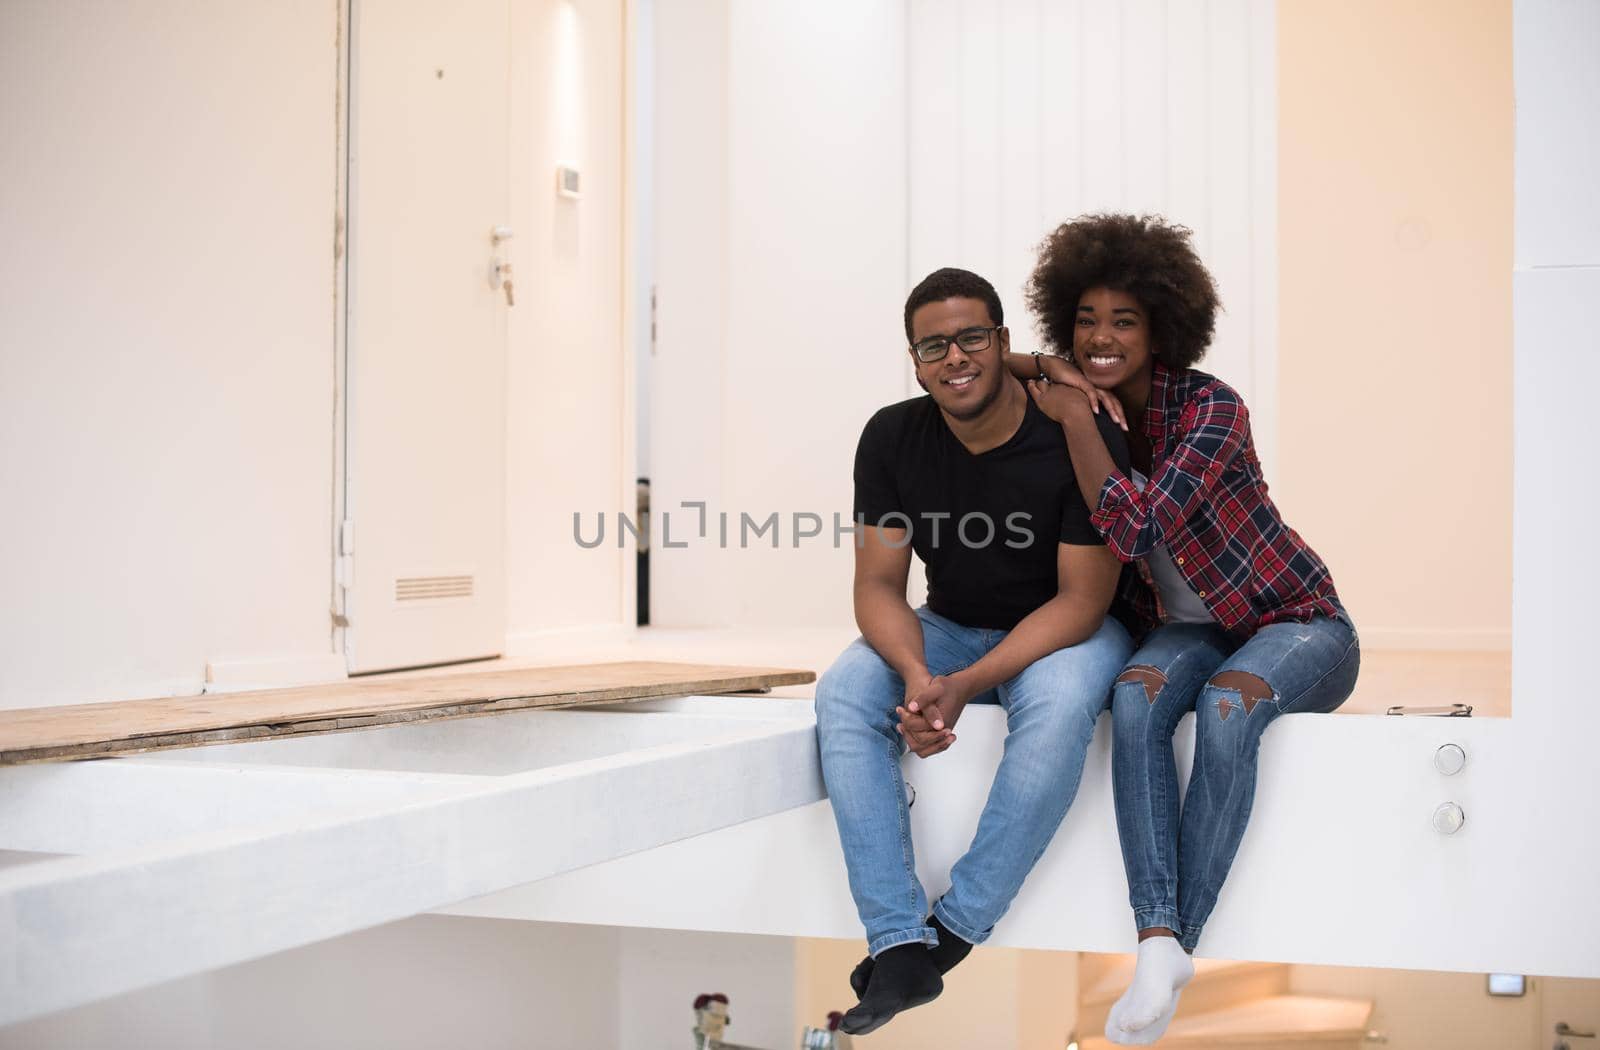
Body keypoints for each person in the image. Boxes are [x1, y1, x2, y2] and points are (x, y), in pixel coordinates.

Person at [1016, 214, 1360, 1046]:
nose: (1102, 336)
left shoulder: (1211, 409)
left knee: (1228, 709)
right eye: (1086, 320)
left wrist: (1073, 417)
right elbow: (995, 358)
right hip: (1192, 627)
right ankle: (1156, 939)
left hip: (1294, 621)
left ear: (1163, 327)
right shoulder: (1076, 388)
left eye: (1124, 320)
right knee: (1133, 699)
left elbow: (1133, 530)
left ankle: (1176, 940)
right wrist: (1051, 368)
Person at [815, 267, 1134, 1035]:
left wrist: (965, 684)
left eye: (970, 338)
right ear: (915, 360)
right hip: (950, 624)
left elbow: (1082, 600)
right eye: (933, 346)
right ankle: (897, 944)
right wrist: (922, 674)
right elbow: (879, 586)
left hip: (1066, 630)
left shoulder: (1077, 434)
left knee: (1058, 709)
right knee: (844, 695)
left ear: (1002, 342)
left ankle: (953, 933)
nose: (954, 358)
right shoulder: (893, 435)